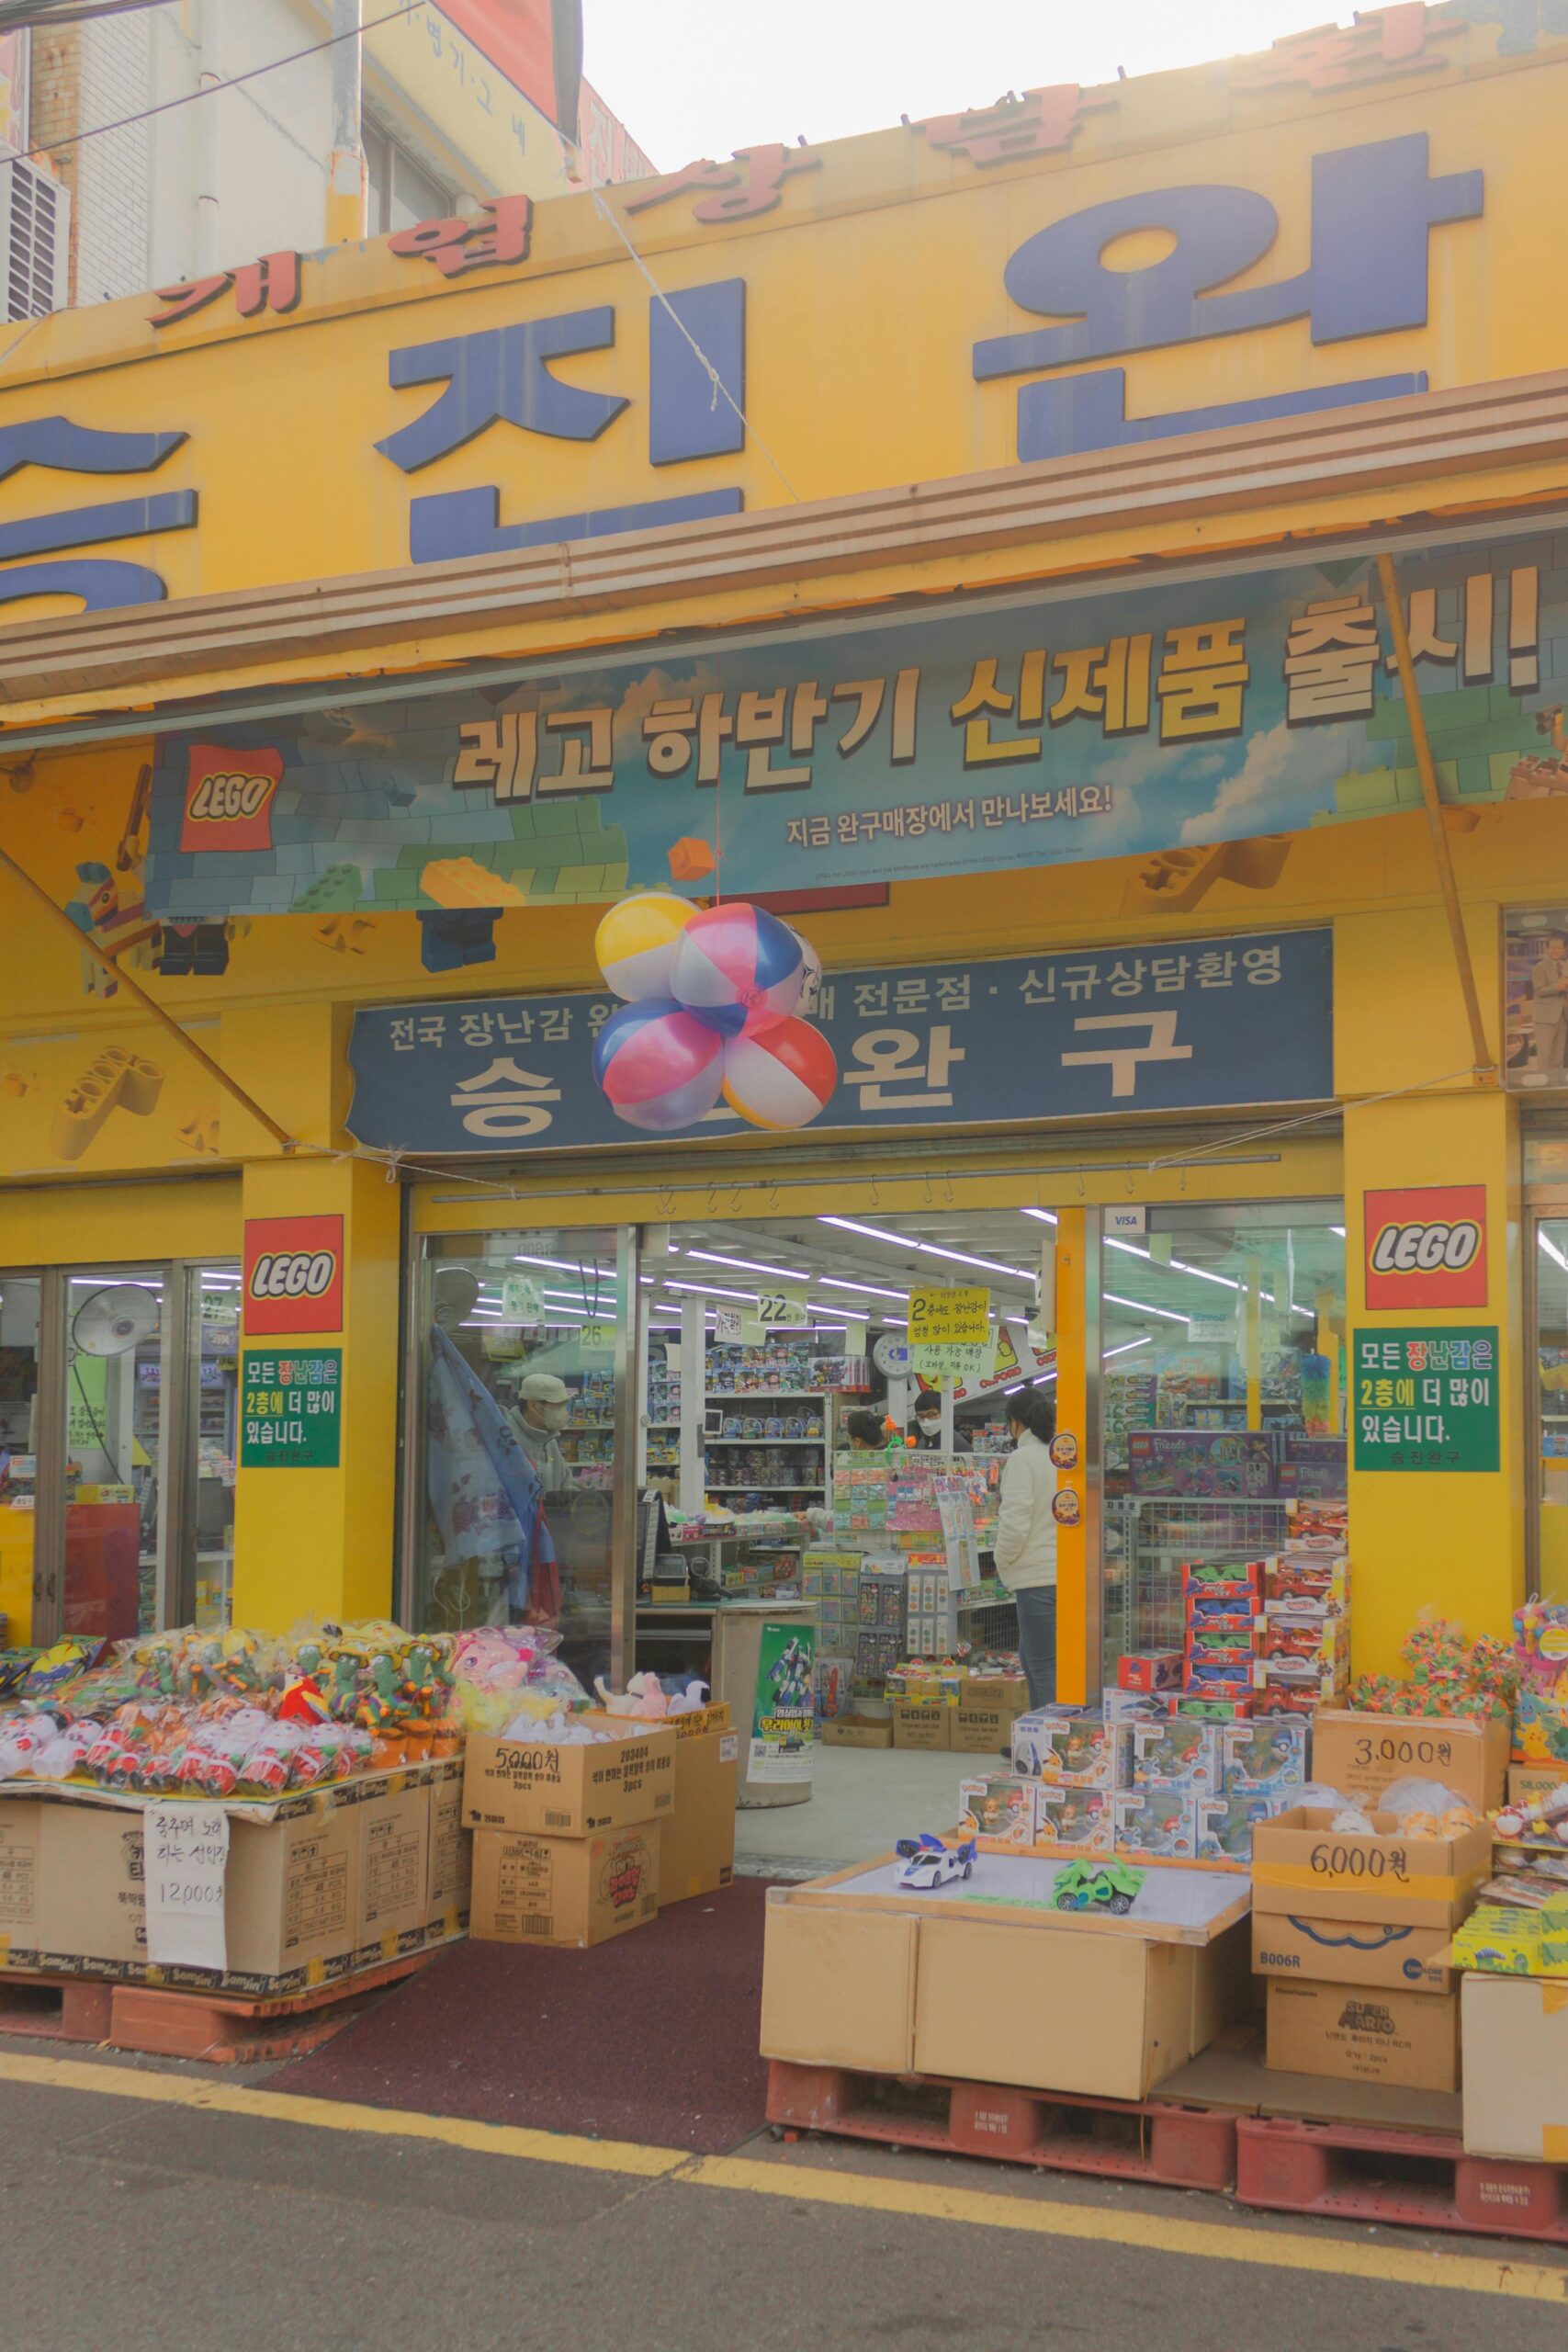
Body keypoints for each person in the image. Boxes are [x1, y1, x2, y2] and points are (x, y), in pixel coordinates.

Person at [994, 1389, 1059, 1709]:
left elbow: (1015, 1522)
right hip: (1064, 1573)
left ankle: (1050, 1733)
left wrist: (1001, 1560)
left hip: (1036, 1577)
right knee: (1035, 1659)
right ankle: (1038, 1729)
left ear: (1016, 1423)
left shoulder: (1022, 1459)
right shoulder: (1060, 1454)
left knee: (1042, 1666)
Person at [508, 1370, 577, 1491]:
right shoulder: (508, 1438)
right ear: (534, 1406)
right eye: (559, 1405)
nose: (565, 1412)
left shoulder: (548, 1437)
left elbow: (564, 1482)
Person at [1530, 932, 1568, 1080]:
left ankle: (1556, 1083)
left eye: (1559, 948)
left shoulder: (1565, 966)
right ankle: (1543, 1082)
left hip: (1563, 1016)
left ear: (1564, 949)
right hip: (1545, 1018)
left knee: (1558, 1055)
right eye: (1553, 948)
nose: (1556, 950)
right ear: (1547, 949)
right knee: (1545, 1055)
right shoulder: (1539, 967)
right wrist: (1558, 987)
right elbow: (1539, 991)